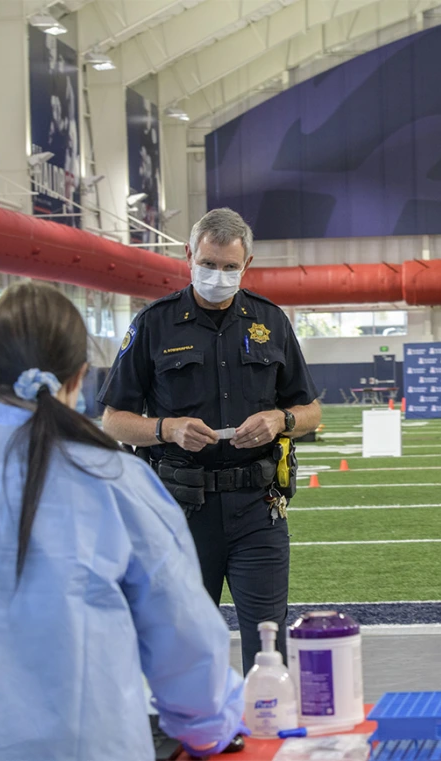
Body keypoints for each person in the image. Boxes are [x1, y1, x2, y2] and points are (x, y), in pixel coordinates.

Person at [0, 283, 246, 759]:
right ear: (80, 376)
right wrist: (209, 727)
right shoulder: (116, 478)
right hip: (85, 743)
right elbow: (184, 638)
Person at [98, 208, 321, 667]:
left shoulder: (271, 321)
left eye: (228, 267)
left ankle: (264, 730)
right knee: (185, 644)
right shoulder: (153, 324)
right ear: (189, 256)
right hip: (181, 510)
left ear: (247, 265)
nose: (217, 275)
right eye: (209, 263)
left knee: (268, 644)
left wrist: (281, 420)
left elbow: (311, 411)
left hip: (258, 508)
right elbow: (113, 420)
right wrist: (166, 428)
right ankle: (199, 737)